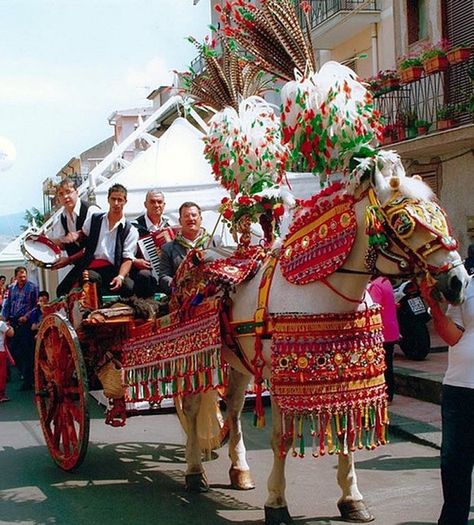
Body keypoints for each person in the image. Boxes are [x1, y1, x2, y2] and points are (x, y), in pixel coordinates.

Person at [421, 276, 474, 525]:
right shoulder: (467, 285)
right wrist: (433, 307)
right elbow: (452, 336)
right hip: (459, 387)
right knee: (454, 463)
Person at [75, 183, 138, 301]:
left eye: (120, 200)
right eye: (113, 199)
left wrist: (120, 276)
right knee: (90, 279)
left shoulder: (131, 230)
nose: (116, 203)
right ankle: (93, 316)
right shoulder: (94, 219)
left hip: (114, 270)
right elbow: (82, 236)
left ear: (125, 201)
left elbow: (128, 258)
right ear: (108, 199)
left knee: (129, 287)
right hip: (92, 267)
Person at [49, 177, 99, 297]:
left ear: (77, 192)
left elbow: (95, 247)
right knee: (62, 291)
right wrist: (42, 243)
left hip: (98, 263)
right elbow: (62, 243)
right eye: (61, 194)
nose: (65, 197)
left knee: (80, 290)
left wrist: (69, 260)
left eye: (68, 192)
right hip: (81, 264)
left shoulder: (91, 211)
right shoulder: (63, 217)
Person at [159, 202, 212, 295]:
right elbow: (164, 276)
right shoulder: (168, 248)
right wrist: (177, 288)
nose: (191, 219)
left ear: (201, 219)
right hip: (183, 299)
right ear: (180, 221)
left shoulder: (215, 242)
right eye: (186, 216)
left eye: (194, 215)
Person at [1, 266, 38, 390]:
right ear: (16, 277)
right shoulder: (11, 288)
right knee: (13, 350)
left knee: (26, 351)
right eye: (20, 277)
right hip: (13, 321)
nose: (23, 279)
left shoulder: (32, 287)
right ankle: (24, 373)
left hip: (25, 323)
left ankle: (28, 380)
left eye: (24, 276)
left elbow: (35, 306)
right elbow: (8, 304)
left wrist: (27, 317)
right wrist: (4, 318)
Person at [131, 189, 173, 298]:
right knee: (144, 275)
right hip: (144, 271)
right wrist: (135, 260)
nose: (156, 205)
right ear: (145, 204)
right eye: (152, 202)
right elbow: (123, 251)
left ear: (164, 205)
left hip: (165, 271)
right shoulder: (135, 226)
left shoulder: (168, 226)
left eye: (159, 202)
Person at [367, 276, 400, 403]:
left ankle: (385, 394)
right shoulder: (385, 281)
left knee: (382, 365)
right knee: (388, 364)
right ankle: (389, 394)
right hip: (391, 329)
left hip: (381, 331)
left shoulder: (375, 285)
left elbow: (373, 309)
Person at [0, 318, 14, 402]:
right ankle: (1, 395)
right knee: (2, 373)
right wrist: (10, 327)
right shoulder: (1, 324)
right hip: (0, 351)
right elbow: (11, 334)